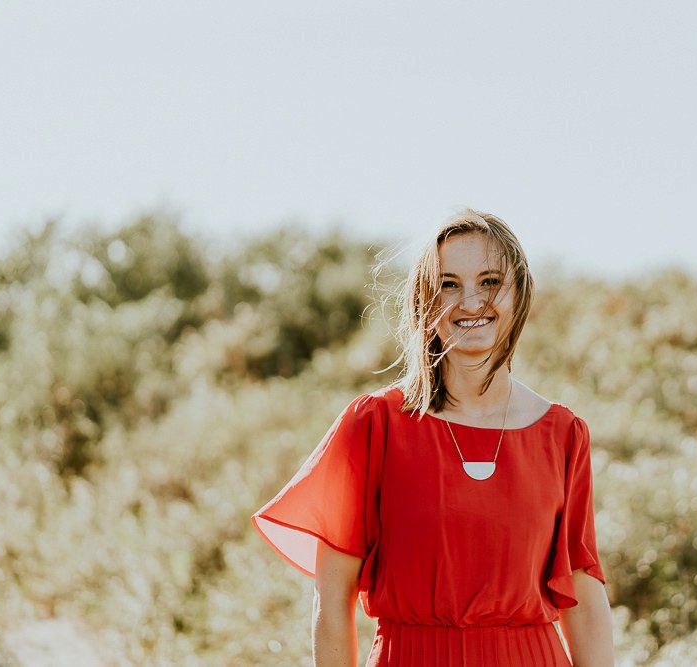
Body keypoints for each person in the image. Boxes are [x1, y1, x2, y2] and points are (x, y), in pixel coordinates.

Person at [252, 209, 614, 666]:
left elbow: (581, 587)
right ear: (424, 298)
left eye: (490, 281)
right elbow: (331, 596)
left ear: (519, 292)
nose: (470, 301)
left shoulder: (562, 434)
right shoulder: (376, 424)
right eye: (448, 284)